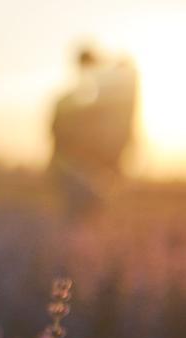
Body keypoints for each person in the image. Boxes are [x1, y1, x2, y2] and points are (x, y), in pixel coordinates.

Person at [49, 47, 137, 216]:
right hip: (74, 167)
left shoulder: (97, 104)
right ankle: (87, 199)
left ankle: (91, 198)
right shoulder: (72, 102)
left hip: (88, 166)